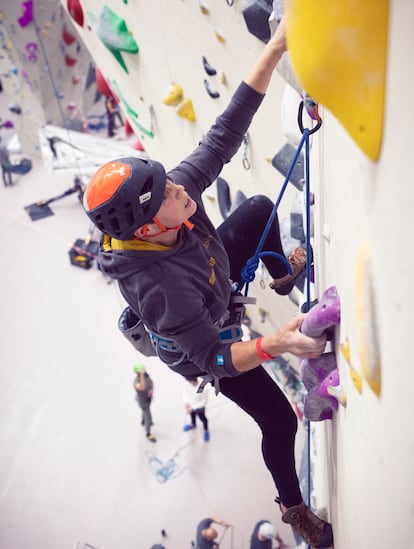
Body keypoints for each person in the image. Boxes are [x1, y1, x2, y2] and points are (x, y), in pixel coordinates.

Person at [82, 18, 333, 549]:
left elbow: (222, 136)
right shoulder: (160, 290)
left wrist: (275, 48)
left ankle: (281, 277)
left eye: (171, 181)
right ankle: (294, 510)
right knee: (279, 423)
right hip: (206, 342)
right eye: (170, 194)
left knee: (260, 208)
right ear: (148, 228)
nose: (182, 187)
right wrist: (276, 344)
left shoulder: (166, 201)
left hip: (212, 282)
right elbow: (216, 360)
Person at [133, 363, 156, 442]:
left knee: (144, 412)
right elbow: (142, 387)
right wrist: (142, 375)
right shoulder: (136, 381)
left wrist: (152, 390)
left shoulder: (146, 376)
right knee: (149, 418)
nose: (144, 370)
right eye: (142, 370)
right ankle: (148, 433)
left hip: (148, 399)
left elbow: (151, 381)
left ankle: (143, 421)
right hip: (142, 402)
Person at [182, 377, 210, 441]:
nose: (189, 383)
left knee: (203, 419)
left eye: (190, 382)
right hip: (190, 406)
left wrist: (192, 408)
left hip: (199, 408)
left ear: (194, 381)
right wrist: (186, 403)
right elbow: (185, 394)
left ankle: (206, 431)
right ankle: (193, 424)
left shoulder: (204, 388)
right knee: (192, 416)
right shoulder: (187, 384)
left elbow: (203, 402)